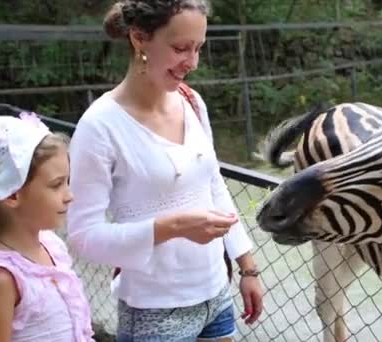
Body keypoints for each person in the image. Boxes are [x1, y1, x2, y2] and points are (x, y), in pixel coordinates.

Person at [66, 1, 263, 341]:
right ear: (140, 38)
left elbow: (214, 187)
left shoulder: (192, 101)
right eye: (180, 48)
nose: (193, 62)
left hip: (217, 295)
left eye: (199, 47)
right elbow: (84, 237)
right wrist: (172, 227)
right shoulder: (100, 127)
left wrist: (247, 266)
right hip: (153, 311)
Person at [0, 111, 94, 341]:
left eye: (67, 182)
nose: (69, 196)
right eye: (56, 185)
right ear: (13, 194)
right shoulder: (5, 278)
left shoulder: (52, 245)